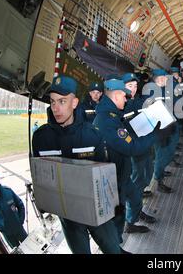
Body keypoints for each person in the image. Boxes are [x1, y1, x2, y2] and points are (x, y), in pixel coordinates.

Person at [32, 75, 121, 254]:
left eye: (62, 101)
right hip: (68, 215)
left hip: (96, 211)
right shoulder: (41, 138)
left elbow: (104, 173)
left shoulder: (92, 135)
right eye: (53, 101)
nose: (56, 108)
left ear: (74, 103)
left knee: (113, 250)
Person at [93, 76, 164, 239]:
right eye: (124, 95)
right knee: (118, 214)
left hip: (120, 173)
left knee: (134, 196)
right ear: (117, 95)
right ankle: (119, 239)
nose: (126, 98)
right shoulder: (108, 121)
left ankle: (132, 220)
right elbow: (132, 147)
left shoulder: (111, 115)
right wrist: (155, 134)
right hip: (114, 178)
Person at [121, 72, 157, 226]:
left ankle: (137, 208)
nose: (133, 89)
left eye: (135, 86)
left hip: (145, 145)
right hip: (133, 149)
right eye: (130, 86)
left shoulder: (138, 101)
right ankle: (130, 221)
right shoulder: (121, 106)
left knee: (147, 175)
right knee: (136, 181)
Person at [0, 171, 27, 249]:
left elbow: (20, 205)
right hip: (7, 234)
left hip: (19, 229)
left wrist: (21, 220)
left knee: (29, 247)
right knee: (16, 251)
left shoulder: (8, 191)